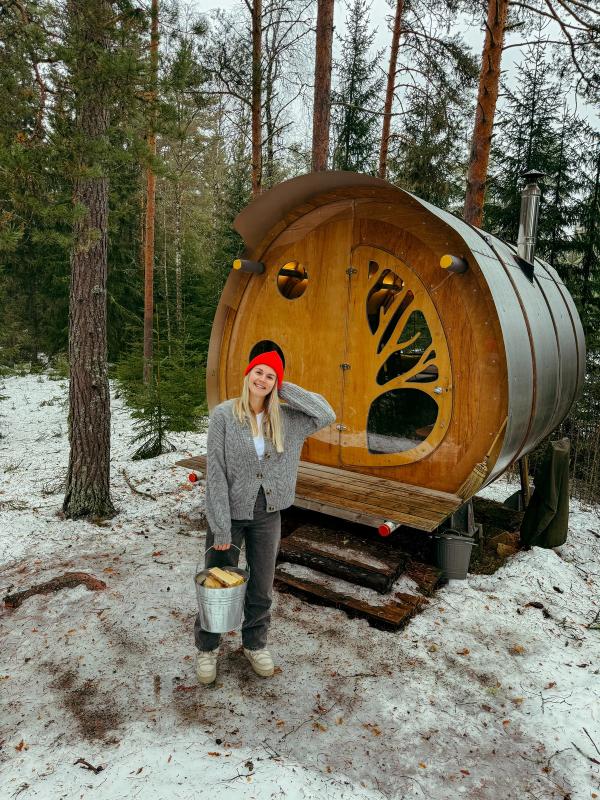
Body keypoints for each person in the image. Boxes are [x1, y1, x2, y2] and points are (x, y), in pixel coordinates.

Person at [194, 350, 336, 684]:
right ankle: (207, 649)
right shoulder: (224, 415)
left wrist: (284, 389)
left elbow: (325, 413)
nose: (262, 380)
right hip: (229, 511)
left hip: (268, 512)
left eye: (270, 376)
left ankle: (254, 644)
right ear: (247, 375)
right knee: (215, 584)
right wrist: (220, 526)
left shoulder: (287, 418)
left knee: (261, 585)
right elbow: (215, 473)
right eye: (258, 372)